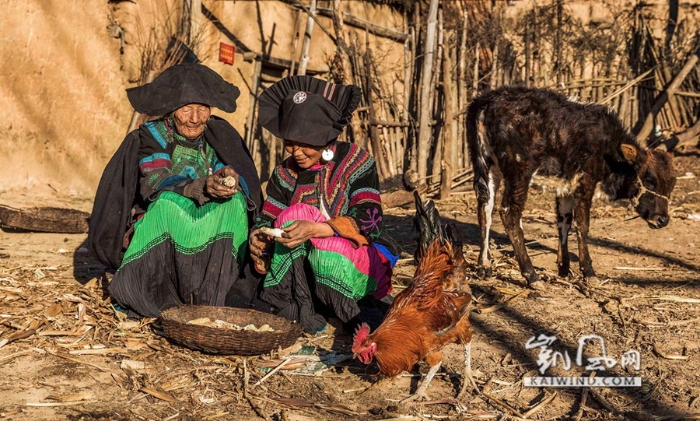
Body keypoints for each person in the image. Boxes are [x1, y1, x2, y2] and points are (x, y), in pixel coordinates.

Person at [88, 63, 263, 318]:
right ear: (172, 110)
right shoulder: (154, 134)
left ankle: (213, 293)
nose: (195, 118)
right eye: (186, 109)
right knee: (168, 202)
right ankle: (146, 291)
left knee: (235, 202)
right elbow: (154, 183)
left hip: (205, 222)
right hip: (166, 222)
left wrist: (229, 178)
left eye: (202, 109)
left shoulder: (216, 134)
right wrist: (200, 187)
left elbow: (232, 173)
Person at [249, 76, 399, 334]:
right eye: (290, 143)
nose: (296, 151)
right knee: (290, 217)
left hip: (358, 259)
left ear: (326, 139)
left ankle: (348, 313)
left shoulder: (356, 161)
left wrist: (317, 230)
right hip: (305, 269)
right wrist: (258, 236)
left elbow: (369, 218)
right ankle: (299, 308)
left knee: (313, 232)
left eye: (304, 143)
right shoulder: (284, 173)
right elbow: (269, 216)